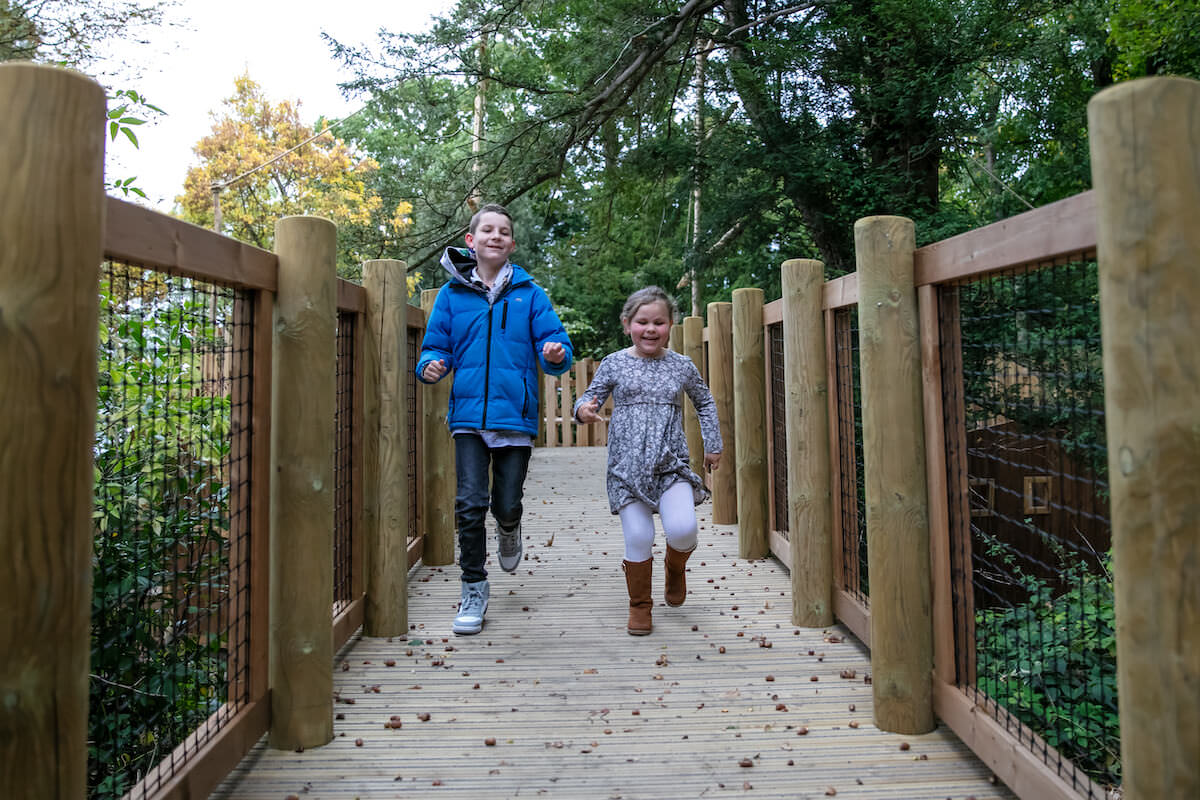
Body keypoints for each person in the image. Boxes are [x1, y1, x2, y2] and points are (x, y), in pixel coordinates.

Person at [416, 203, 573, 635]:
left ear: (512, 244)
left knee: (505, 502)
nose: (496, 236)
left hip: (514, 417)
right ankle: (473, 587)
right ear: (471, 240)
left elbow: (556, 342)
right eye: (487, 230)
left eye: (504, 231)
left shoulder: (530, 294)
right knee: (469, 504)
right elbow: (436, 346)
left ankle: (509, 525)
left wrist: (555, 354)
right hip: (468, 417)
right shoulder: (451, 296)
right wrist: (430, 365)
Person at [574, 286, 722, 635]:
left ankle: (675, 565)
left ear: (670, 325)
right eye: (642, 322)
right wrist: (583, 410)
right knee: (639, 536)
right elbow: (588, 398)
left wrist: (713, 444)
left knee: (683, 529)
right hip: (626, 468)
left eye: (659, 322)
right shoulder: (615, 363)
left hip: (671, 465)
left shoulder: (681, 366)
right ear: (627, 324)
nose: (650, 329)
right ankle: (640, 605)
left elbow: (704, 402)